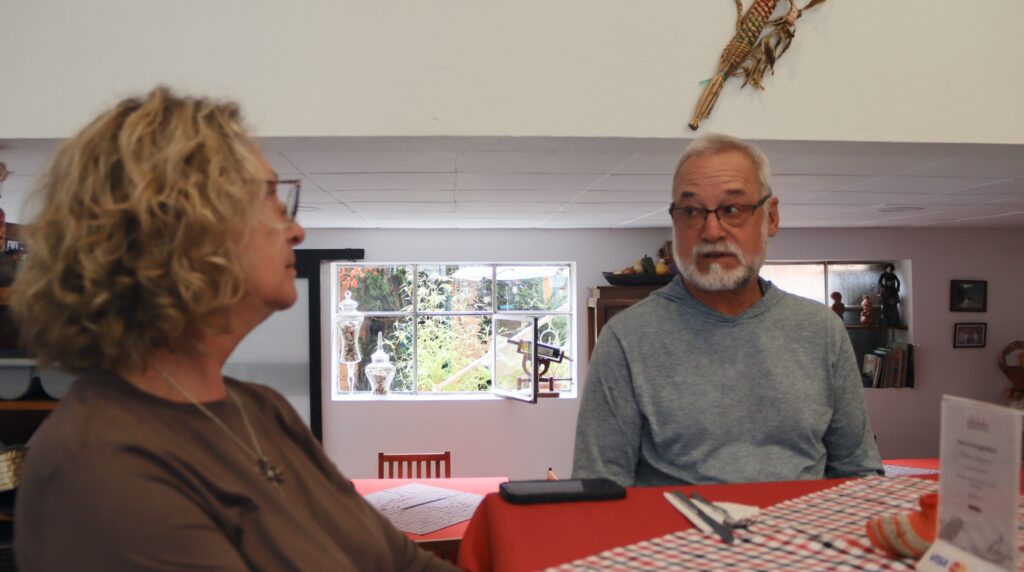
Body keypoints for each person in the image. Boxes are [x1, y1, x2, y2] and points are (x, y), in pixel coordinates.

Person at [11, 87, 456, 571]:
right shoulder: (101, 467)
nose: (297, 231)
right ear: (182, 225)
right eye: (270, 197)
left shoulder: (261, 410)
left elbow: (403, 563)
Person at [573, 133, 882, 487]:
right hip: (671, 540)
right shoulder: (627, 339)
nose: (711, 230)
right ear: (674, 222)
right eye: (691, 211)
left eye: (732, 210)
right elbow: (597, 490)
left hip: (802, 539)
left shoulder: (821, 331)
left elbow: (859, 474)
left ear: (771, 217)